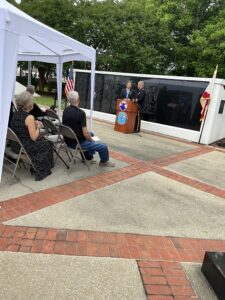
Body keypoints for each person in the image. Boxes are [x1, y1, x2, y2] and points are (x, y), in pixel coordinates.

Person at [62, 91, 115, 167]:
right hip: (77, 143)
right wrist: (91, 140)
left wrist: (90, 137)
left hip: (68, 140)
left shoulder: (66, 110)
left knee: (92, 134)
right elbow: (86, 134)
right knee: (103, 147)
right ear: (78, 100)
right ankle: (104, 162)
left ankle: (88, 157)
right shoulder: (81, 113)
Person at [10, 91, 54, 181]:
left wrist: (33, 124)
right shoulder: (29, 117)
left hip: (15, 145)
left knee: (43, 140)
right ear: (29, 104)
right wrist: (38, 127)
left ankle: (39, 165)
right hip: (25, 146)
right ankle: (40, 168)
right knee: (49, 143)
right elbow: (33, 138)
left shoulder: (16, 114)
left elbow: (22, 127)